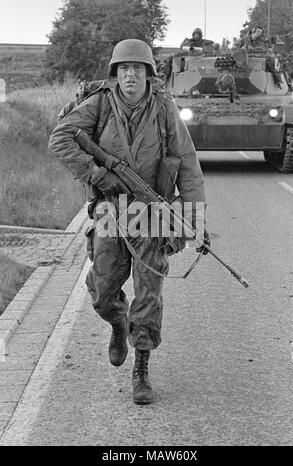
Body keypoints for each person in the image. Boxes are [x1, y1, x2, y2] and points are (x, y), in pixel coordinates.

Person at [48, 39, 208, 405]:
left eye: (138, 69)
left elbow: (187, 165)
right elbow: (60, 139)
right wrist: (97, 174)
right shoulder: (100, 104)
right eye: (124, 69)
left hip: (151, 213)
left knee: (149, 292)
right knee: (103, 294)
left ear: (149, 75)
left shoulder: (165, 110)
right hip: (109, 210)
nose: (130, 75)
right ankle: (118, 322)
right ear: (115, 74)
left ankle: (142, 366)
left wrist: (192, 221)